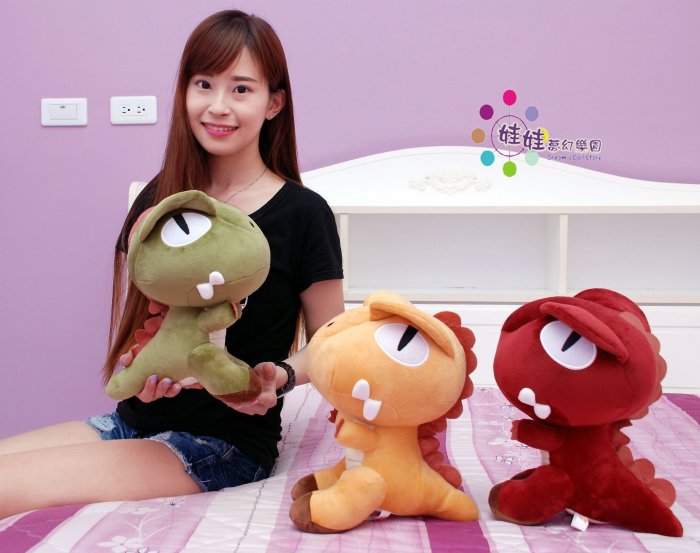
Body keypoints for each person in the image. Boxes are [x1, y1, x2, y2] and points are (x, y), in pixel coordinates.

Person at [0, 10, 344, 519]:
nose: (218, 106)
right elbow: (144, 331)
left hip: (221, 445)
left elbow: (333, 340)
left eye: (241, 89)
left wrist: (282, 377)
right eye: (204, 84)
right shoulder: (160, 200)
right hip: (131, 422)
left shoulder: (303, 212)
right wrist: (140, 372)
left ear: (274, 103)